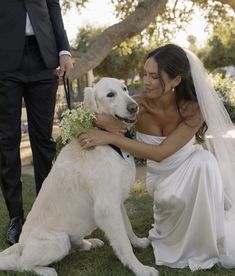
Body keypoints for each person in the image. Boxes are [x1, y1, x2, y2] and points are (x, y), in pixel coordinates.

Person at [78, 44, 235, 271]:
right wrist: (97, 123)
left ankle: (204, 243)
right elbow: (101, 117)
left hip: (190, 169)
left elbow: (161, 153)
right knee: (190, 176)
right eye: (145, 74)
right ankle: (175, 234)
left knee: (204, 162)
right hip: (161, 180)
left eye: (154, 76)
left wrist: (109, 139)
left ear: (175, 81)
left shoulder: (193, 109)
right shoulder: (136, 106)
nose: (146, 81)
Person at [0, 0, 73, 245]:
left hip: (44, 58)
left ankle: (46, 216)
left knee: (44, 142)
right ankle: (16, 218)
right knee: (7, 143)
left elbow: (53, 8)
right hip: (4, 63)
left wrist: (64, 51)